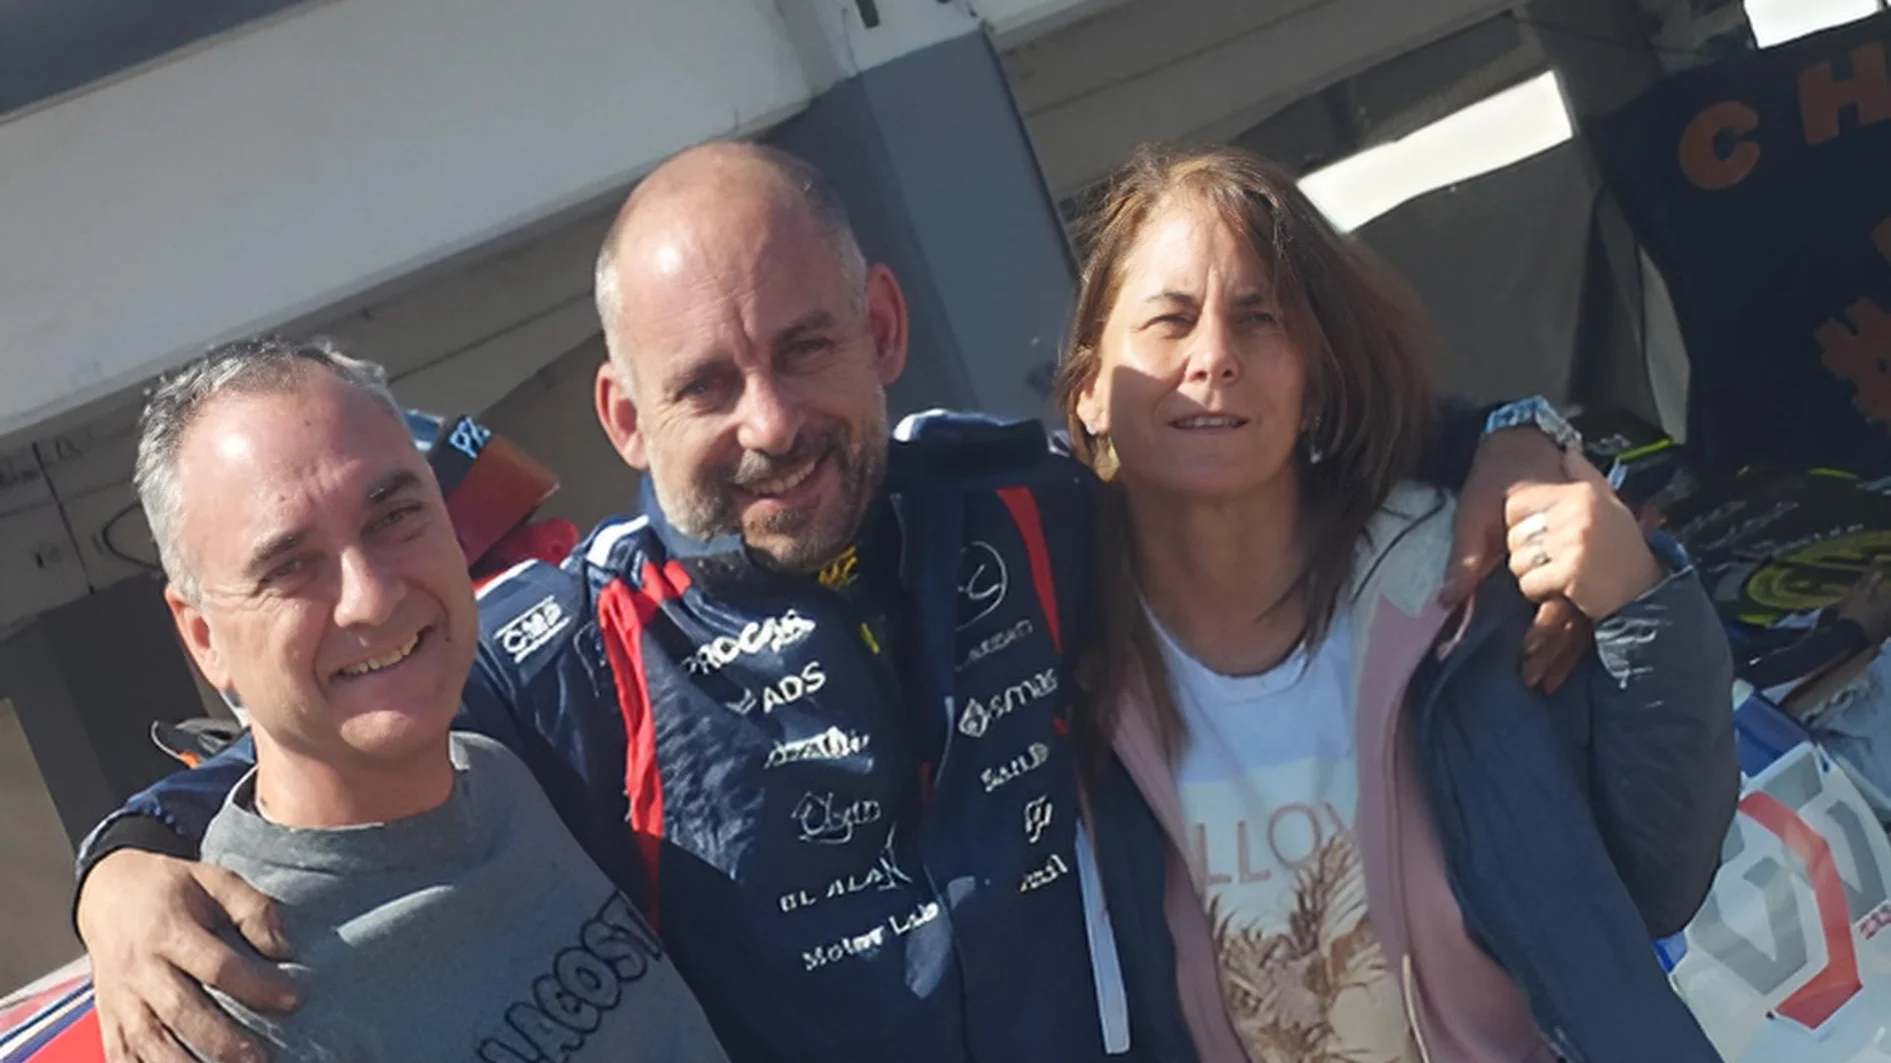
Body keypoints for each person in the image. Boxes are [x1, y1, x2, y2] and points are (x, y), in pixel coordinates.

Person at [73, 142, 1593, 1063]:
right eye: (703, 385)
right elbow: (328, 718)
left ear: (881, 325)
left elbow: (1279, 435)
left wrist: (1512, 433)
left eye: (804, 350)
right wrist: (119, 869)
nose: (769, 421)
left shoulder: (1024, 495)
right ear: (623, 416)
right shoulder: (566, 652)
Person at [1053, 145, 1739, 1063]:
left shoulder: (1461, 583)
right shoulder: (1039, 663)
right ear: (1089, 391)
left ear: (1314, 385)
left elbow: (1662, 878)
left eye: (1258, 319)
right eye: (1170, 320)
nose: (1212, 357)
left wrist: (1637, 602)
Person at [129, 339, 726, 1062]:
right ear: (203, 637)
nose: (371, 598)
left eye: (393, 517)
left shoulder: (495, 777)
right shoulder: (224, 1004)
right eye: (290, 565)